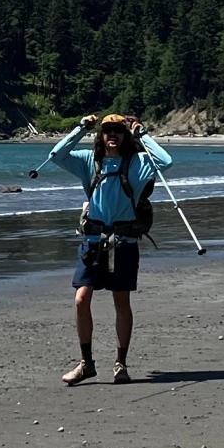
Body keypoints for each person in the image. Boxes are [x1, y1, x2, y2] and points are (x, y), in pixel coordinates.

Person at [48, 114, 172, 384]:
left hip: (123, 244)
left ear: (125, 136)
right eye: (107, 130)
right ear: (100, 135)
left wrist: (142, 133)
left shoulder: (137, 163)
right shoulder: (88, 162)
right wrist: (81, 128)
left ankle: (121, 364)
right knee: (81, 299)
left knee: (121, 303)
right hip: (92, 243)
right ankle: (87, 364)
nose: (112, 135)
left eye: (118, 130)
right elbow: (56, 155)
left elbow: (165, 161)